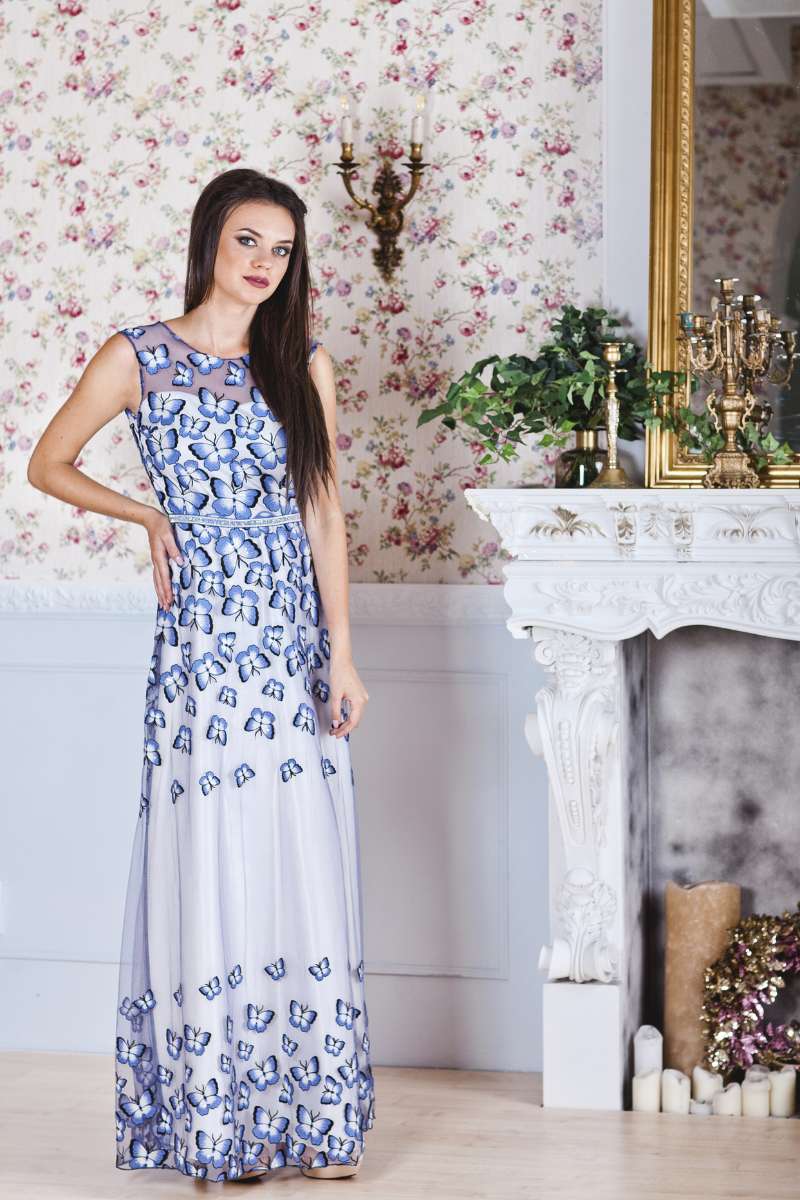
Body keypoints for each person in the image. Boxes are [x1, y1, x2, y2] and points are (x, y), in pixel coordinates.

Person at [27, 168, 376, 1183]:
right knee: (215, 857)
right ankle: (222, 1128)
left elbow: (323, 512)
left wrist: (341, 650)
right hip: (201, 649)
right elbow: (48, 463)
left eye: (282, 250)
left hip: (289, 643)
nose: (264, 263)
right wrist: (147, 515)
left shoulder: (300, 363)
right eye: (248, 242)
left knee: (299, 855)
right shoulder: (138, 356)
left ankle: (314, 1125)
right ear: (209, 242)